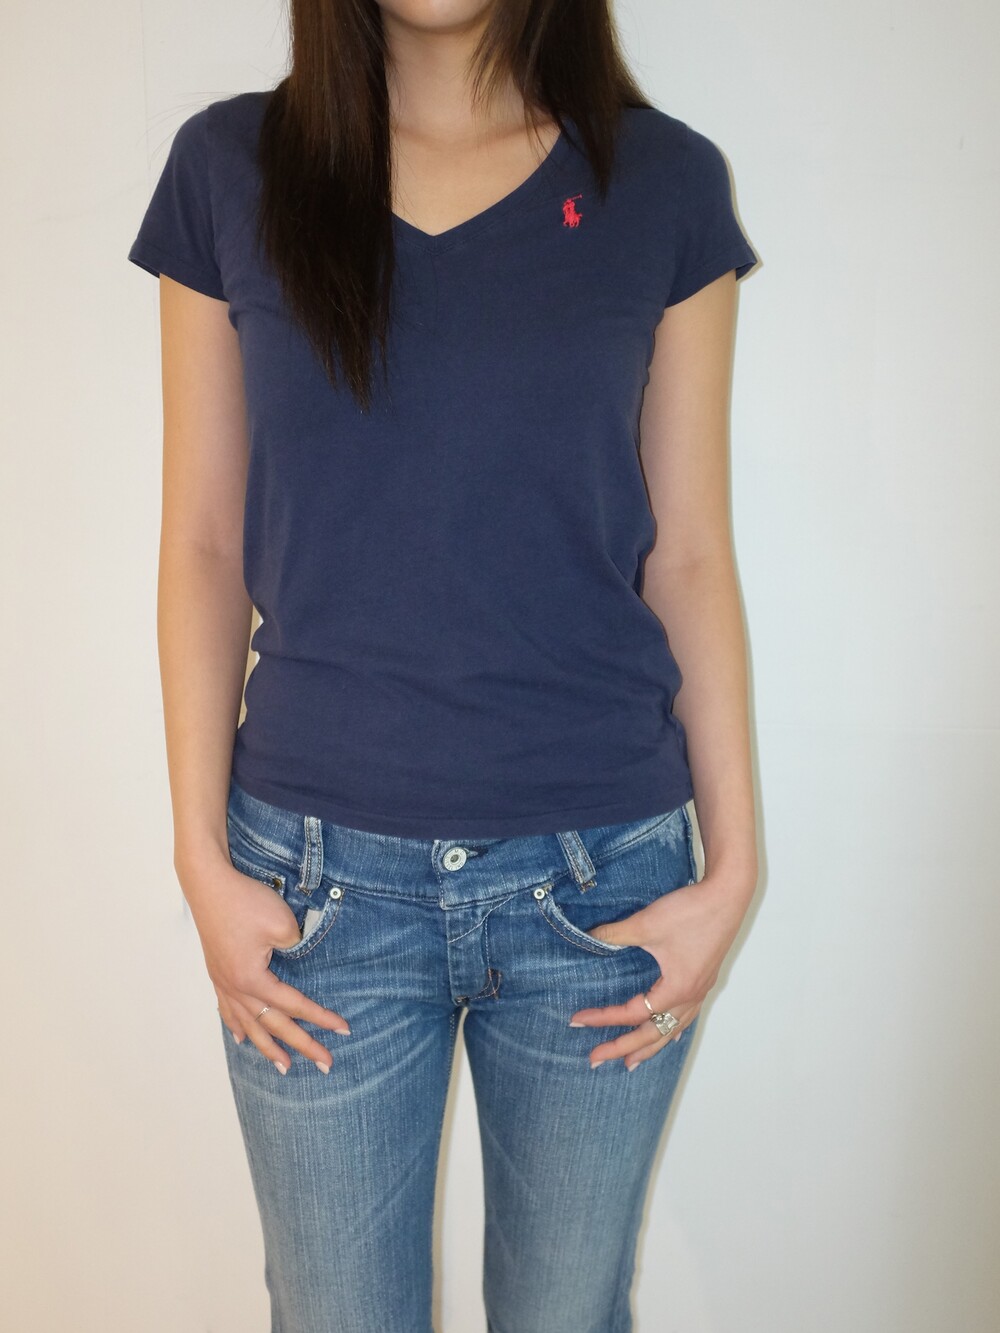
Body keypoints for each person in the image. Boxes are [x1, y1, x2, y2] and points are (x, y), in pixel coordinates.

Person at [127, 2, 760, 1329]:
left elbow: (691, 552)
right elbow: (201, 543)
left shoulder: (665, 183)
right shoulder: (230, 168)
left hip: (604, 886)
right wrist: (198, 857)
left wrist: (735, 869)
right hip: (313, 895)